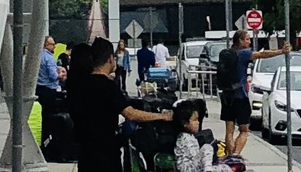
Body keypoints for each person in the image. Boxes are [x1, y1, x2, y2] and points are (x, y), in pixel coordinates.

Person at [67, 36, 173, 172]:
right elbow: (131, 114)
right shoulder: (107, 86)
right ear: (111, 58)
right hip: (105, 152)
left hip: (85, 151)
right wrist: (162, 116)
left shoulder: (80, 84)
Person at [216, 27, 286, 160]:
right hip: (240, 97)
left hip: (226, 96)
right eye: (247, 39)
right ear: (240, 41)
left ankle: (228, 157)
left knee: (229, 131)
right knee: (244, 130)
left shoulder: (227, 53)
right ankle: (235, 157)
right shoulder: (243, 54)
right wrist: (281, 52)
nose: (249, 42)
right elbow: (262, 55)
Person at [172, 98, 209, 172]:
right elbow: (193, 156)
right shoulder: (184, 138)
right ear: (184, 123)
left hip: (193, 165)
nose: (198, 123)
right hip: (188, 168)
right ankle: (208, 168)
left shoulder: (190, 136)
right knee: (207, 148)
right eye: (195, 120)